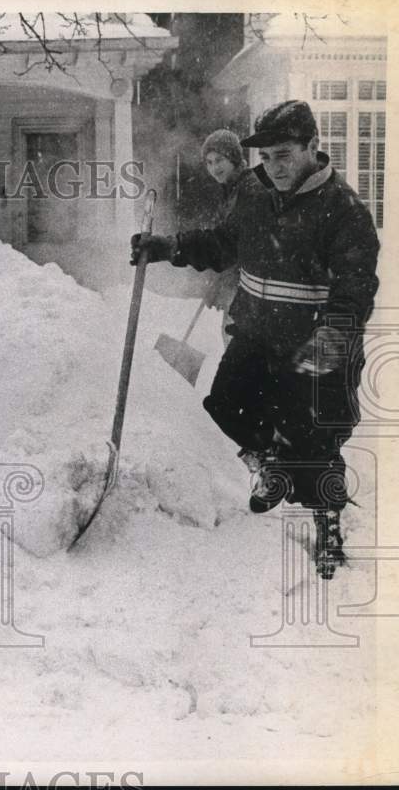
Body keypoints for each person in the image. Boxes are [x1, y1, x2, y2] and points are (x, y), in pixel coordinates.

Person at [132, 101, 380, 579]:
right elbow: (224, 243)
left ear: (312, 146)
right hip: (256, 333)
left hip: (312, 343)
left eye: (283, 155)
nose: (274, 167)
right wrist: (171, 247)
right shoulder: (256, 196)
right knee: (223, 403)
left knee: (316, 445)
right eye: (265, 158)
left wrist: (336, 334)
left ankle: (327, 525)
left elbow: (355, 284)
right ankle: (273, 465)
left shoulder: (343, 210)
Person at [199, 129, 268, 343]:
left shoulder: (249, 189)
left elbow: (240, 245)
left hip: (251, 286)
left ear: (234, 158)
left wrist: (223, 281)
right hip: (238, 283)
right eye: (209, 162)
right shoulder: (232, 188)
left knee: (237, 344)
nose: (214, 168)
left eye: (219, 160)